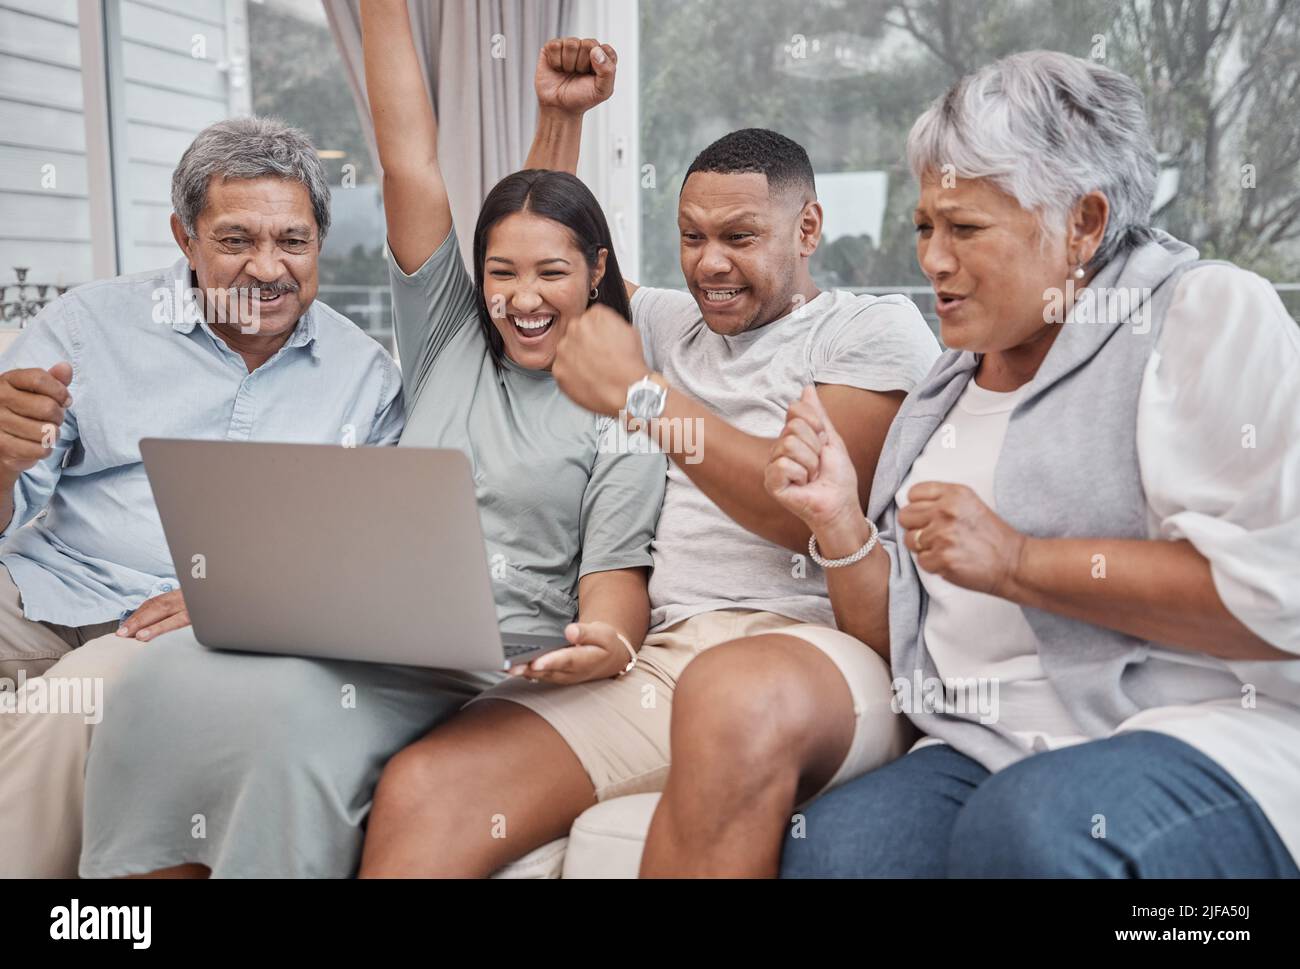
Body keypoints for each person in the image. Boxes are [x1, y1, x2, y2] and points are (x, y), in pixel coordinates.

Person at [77, 12, 664, 878]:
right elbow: (408, 163)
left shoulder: (629, 412)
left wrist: (605, 645)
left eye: (552, 274)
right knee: (158, 684)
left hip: (475, 663)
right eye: (500, 273)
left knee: (285, 727)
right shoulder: (450, 341)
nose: (523, 298)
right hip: (348, 626)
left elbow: (616, 589)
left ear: (598, 274)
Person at [359, 82, 940, 876]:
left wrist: (644, 397)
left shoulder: (871, 330)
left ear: (807, 228)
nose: (710, 264)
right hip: (668, 657)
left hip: (811, 648)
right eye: (691, 236)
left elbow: (804, 513)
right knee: (426, 785)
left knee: (730, 692)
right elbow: (542, 252)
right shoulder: (670, 324)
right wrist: (560, 120)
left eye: (738, 236)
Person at [770, 50, 1300, 878]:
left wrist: (1021, 562)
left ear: (1083, 223)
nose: (932, 260)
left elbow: (1273, 601)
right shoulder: (941, 394)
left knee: (1036, 828)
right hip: (990, 744)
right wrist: (839, 521)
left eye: (965, 227)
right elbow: (908, 645)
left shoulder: (1202, 315)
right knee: (838, 853)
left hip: (1211, 736)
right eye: (924, 226)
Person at [0, 116, 403, 877]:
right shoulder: (89, 325)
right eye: (235, 240)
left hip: (181, 622)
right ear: (185, 239)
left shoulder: (367, 378)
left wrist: (244, 595)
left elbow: (372, 558)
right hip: (47, 578)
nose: (267, 267)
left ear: (322, 239)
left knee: (75, 701)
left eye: (292, 240)